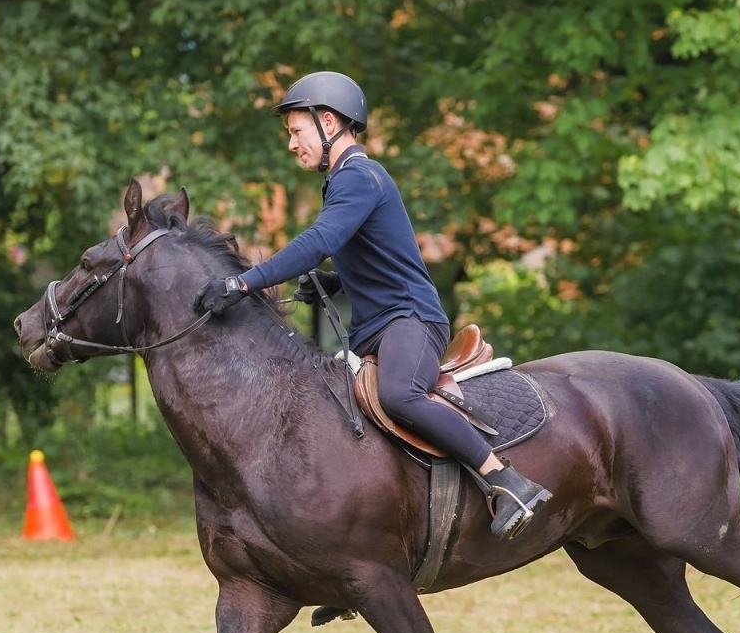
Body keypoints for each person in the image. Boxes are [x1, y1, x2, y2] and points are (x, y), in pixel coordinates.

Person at [193, 71, 552, 539]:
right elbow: (381, 256)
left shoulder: (360, 176)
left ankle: (507, 481)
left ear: (328, 122)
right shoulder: (347, 181)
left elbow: (322, 239)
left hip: (411, 320)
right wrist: (335, 280)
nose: (291, 145)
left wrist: (244, 284)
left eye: (296, 132)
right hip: (380, 326)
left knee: (399, 394)